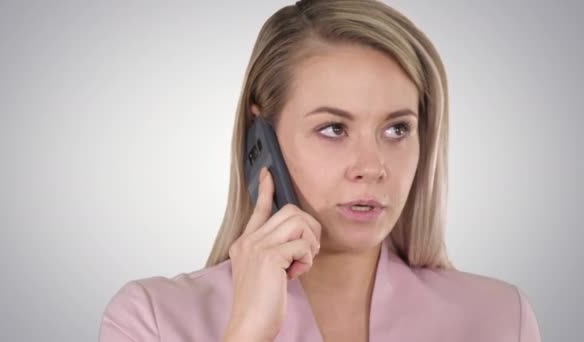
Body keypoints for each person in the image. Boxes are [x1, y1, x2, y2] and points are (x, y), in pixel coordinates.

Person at [98, 0, 542, 341]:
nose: (371, 167)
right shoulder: (150, 319)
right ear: (261, 141)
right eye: (333, 128)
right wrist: (248, 332)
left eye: (397, 128)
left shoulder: (501, 318)